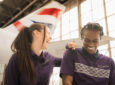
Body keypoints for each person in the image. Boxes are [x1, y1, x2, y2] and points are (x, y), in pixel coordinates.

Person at [4, 23, 77, 85]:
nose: (51, 37)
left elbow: (68, 61)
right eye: (48, 33)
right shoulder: (17, 58)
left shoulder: (49, 58)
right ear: (36, 33)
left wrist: (68, 48)